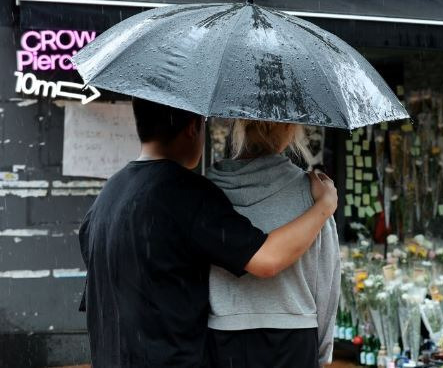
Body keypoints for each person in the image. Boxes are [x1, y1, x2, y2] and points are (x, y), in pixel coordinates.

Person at [78, 98, 337, 368]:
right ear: (193, 127)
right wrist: (325, 205)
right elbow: (266, 258)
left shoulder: (107, 195)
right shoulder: (184, 193)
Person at [206, 120, 341, 368]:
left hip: (223, 337)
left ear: (239, 127)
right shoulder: (315, 194)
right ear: (291, 130)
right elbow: (327, 285)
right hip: (295, 337)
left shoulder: (207, 191)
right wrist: (322, 353)